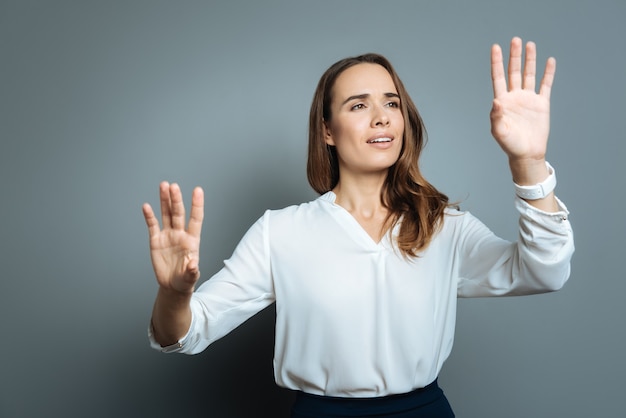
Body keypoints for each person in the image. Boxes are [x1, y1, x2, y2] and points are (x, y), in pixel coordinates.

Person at [142, 37, 574, 417]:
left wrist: (528, 162)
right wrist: (174, 295)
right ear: (327, 130)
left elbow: (544, 271)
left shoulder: (443, 225)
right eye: (359, 105)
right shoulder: (281, 232)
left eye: (391, 103)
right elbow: (185, 333)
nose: (382, 117)